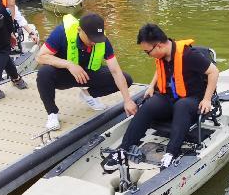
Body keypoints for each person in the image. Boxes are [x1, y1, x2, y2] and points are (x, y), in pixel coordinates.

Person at [116, 23, 219, 168]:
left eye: (147, 52)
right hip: (170, 98)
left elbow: (214, 72)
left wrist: (207, 99)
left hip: (191, 100)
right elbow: (159, 70)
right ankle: (123, 148)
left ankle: (171, 153)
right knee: (149, 104)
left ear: (158, 46)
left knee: (182, 106)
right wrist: (151, 86)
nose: (148, 55)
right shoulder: (163, 55)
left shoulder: (190, 56)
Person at [36, 12, 136, 130]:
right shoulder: (61, 33)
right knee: (43, 73)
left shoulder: (102, 40)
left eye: (97, 39)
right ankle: (52, 113)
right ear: (79, 30)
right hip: (63, 74)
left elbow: (116, 71)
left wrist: (128, 101)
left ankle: (88, 95)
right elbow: (40, 57)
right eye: (91, 38)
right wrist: (69, 65)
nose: (94, 42)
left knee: (127, 78)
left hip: (87, 75)